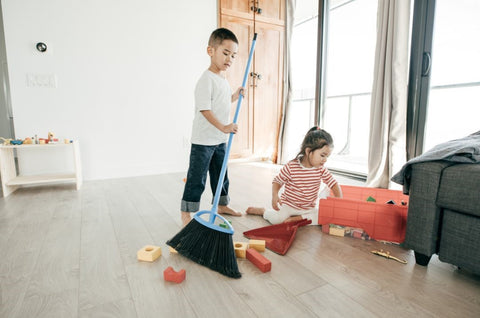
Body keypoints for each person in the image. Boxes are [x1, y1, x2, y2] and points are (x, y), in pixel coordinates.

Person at [181, 28, 244, 226]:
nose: (229, 59)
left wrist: (235, 95)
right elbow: (206, 110)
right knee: (197, 178)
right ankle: (186, 212)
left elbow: (222, 102)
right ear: (211, 51)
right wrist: (224, 127)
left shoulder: (223, 79)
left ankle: (222, 205)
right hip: (203, 141)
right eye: (225, 53)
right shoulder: (205, 80)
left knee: (221, 175)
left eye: (233, 55)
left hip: (219, 140)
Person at [246, 126, 343, 224]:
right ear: (308, 151)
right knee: (277, 220)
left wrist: (339, 202)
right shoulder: (292, 166)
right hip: (289, 206)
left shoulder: (321, 169)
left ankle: (298, 218)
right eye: (322, 155)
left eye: (327, 156)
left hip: (309, 208)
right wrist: (275, 195)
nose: (325, 160)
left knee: (322, 217)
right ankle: (264, 211)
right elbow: (277, 181)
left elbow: (333, 184)